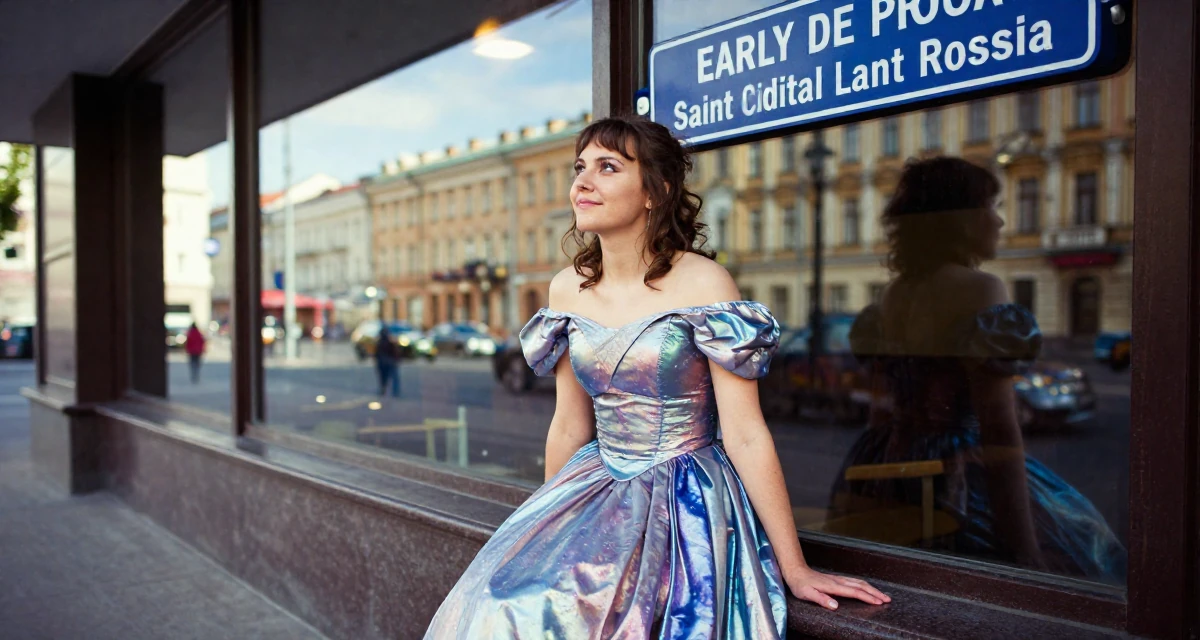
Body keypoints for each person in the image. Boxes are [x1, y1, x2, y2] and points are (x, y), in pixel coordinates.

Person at [425, 116, 888, 639]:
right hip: (598, 482)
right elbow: (569, 426)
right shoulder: (565, 290)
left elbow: (746, 433)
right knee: (509, 602)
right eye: (580, 167)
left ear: (655, 191)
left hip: (686, 497)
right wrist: (548, 527)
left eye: (607, 167)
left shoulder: (703, 282)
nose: (582, 182)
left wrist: (795, 567)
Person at [829, 157, 1126, 583]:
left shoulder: (897, 292)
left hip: (893, 461)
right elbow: (1000, 430)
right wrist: (1026, 551)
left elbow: (885, 407)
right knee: (1085, 547)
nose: (1001, 221)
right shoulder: (981, 288)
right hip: (955, 476)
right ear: (962, 219)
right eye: (991, 206)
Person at [375, 326, 400, 398]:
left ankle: (386, 390)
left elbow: (377, 354)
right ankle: (394, 391)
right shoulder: (390, 342)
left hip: (384, 362)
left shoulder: (380, 342)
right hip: (389, 362)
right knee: (393, 378)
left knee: (385, 378)